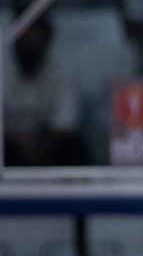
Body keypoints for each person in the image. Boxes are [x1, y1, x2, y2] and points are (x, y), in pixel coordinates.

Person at [2, 12, 88, 166]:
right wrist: (19, 142)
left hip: (48, 145)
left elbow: (65, 120)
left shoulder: (63, 63)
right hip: (8, 145)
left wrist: (41, 145)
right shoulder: (3, 62)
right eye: (24, 41)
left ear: (47, 41)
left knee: (73, 148)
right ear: (14, 42)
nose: (30, 45)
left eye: (35, 42)